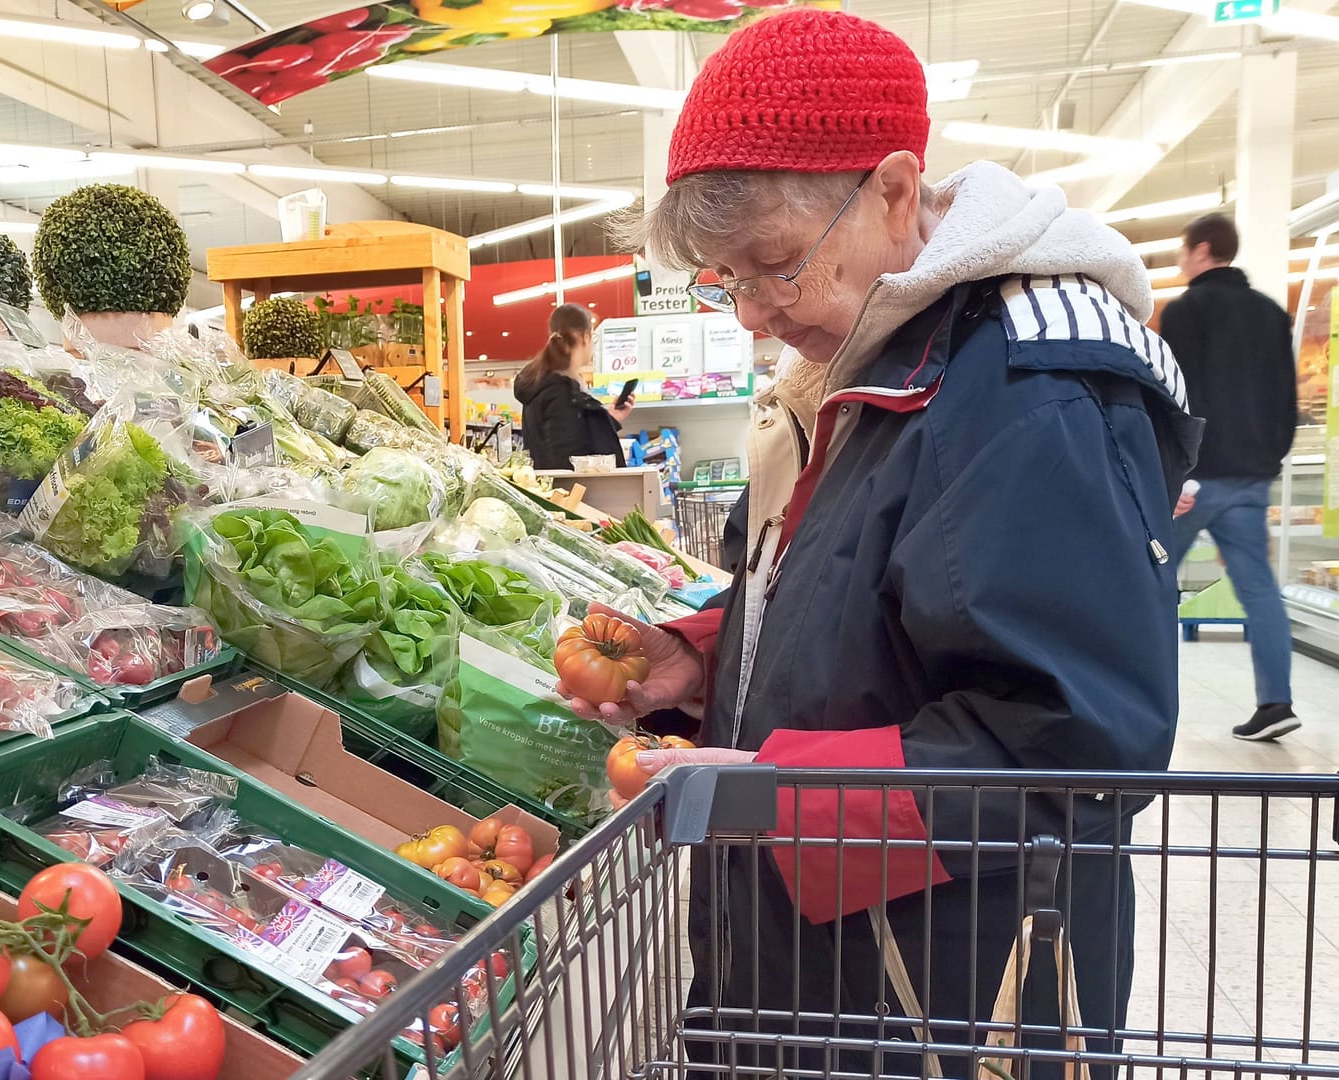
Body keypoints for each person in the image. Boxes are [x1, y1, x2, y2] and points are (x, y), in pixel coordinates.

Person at [566, 8, 1199, 1078]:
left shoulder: (1022, 393)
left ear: (896, 191)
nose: (755, 315)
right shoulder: (866, 364)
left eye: (775, 265)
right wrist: (707, 657)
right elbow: (866, 602)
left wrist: (776, 792)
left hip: (948, 998)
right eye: (727, 283)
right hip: (830, 972)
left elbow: (1073, 737)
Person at [1159, 213, 1299, 741]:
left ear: (1200, 251)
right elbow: (1285, 397)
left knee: (1148, 578)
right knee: (1259, 590)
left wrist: (1176, 469)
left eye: (1183, 249)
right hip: (1251, 477)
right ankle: (1276, 702)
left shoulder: (1185, 311)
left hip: (1195, 481)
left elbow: (1175, 394)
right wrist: (1270, 459)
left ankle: (1142, 699)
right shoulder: (1269, 313)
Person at [512, 303, 634, 470]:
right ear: (585, 337)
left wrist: (609, 419)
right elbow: (568, 462)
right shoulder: (561, 393)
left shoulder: (541, 386)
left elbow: (570, 438)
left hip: (547, 491)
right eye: (594, 337)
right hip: (570, 494)